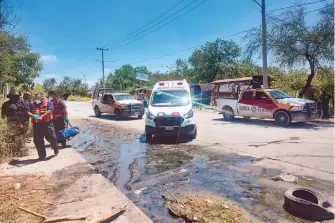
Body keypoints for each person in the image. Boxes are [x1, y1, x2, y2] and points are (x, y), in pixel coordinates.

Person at [28, 93, 59, 160]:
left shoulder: (48, 102)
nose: (37, 100)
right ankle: (42, 156)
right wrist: (34, 116)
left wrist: (42, 116)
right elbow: (28, 112)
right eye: (36, 98)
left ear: (42, 97)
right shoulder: (32, 104)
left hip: (47, 124)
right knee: (37, 141)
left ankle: (55, 147)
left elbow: (50, 110)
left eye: (39, 98)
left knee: (51, 138)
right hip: (37, 125)